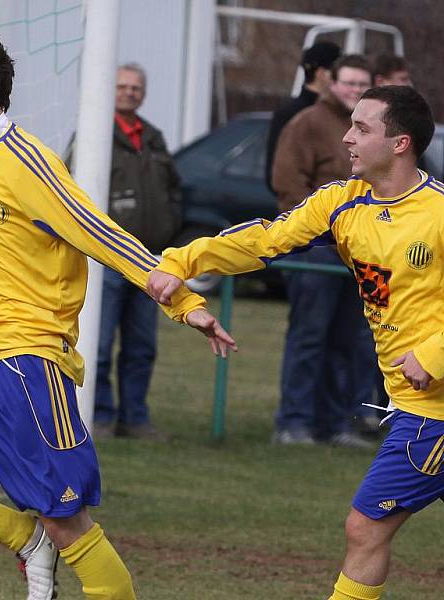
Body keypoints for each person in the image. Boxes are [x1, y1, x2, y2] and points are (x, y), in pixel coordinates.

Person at [0, 28, 236, 600]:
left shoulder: (29, 163)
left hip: (27, 368)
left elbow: (101, 234)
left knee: (69, 525)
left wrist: (184, 301)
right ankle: (23, 537)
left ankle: (53, 543)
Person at [149, 84, 440, 600]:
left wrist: (435, 355)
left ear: (400, 144)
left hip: (433, 410)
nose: (347, 137)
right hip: (414, 403)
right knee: (366, 529)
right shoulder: (342, 203)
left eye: (362, 128)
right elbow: (264, 238)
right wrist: (184, 260)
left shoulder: (438, 213)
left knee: (365, 527)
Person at [67, 63, 182, 439]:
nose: (130, 92)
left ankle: (135, 418)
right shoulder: (91, 134)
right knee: (97, 343)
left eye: (136, 87)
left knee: (142, 345)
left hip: (150, 260)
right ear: (109, 90)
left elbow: (172, 189)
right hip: (107, 261)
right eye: (122, 86)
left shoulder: (153, 137)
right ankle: (98, 416)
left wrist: (171, 225)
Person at [270, 54, 377, 448]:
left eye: (361, 84)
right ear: (332, 82)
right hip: (314, 252)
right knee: (309, 337)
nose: (353, 90)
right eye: (347, 82)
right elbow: (287, 185)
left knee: (348, 339)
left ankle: (336, 423)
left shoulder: (371, 128)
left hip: (360, 255)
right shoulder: (308, 123)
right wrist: (320, 234)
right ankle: (293, 422)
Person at [265, 41, 341, 194]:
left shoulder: (340, 112)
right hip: (310, 211)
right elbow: (279, 173)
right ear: (321, 73)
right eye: (337, 72)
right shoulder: (293, 113)